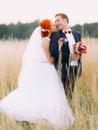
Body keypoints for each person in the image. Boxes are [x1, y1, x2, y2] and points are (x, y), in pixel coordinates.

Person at [0, 19, 74, 130]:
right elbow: (49, 60)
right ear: (48, 28)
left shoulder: (47, 39)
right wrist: (59, 48)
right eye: (52, 25)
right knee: (48, 93)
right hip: (46, 69)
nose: (55, 26)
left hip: (46, 69)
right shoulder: (45, 41)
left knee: (44, 93)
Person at [50, 13, 82, 98]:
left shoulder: (77, 34)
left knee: (70, 95)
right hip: (62, 69)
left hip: (75, 68)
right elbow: (53, 52)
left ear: (65, 20)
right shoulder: (55, 35)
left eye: (58, 20)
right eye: (55, 21)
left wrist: (79, 54)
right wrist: (70, 57)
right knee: (62, 95)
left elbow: (79, 49)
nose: (56, 23)